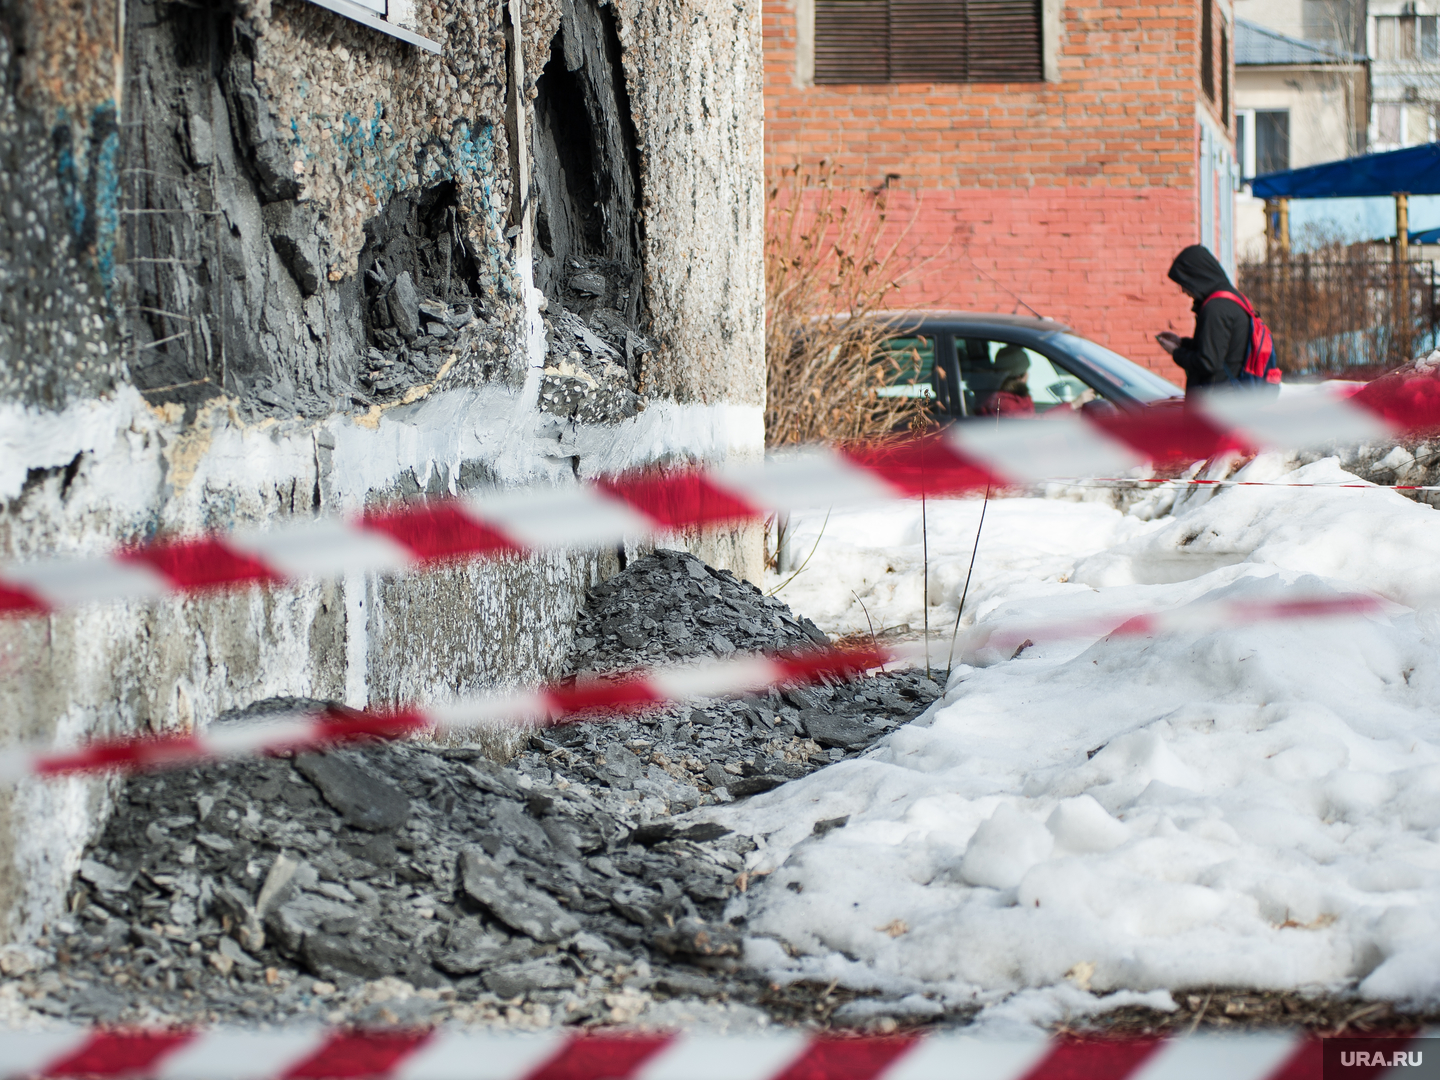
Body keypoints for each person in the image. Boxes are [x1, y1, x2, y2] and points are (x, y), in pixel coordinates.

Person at [1156, 245, 1251, 396]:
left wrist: (1176, 352)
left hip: (1216, 403)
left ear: (1196, 276)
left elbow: (1207, 362)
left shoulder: (1215, 309)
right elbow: (1218, 348)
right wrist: (1182, 343)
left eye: (1184, 283)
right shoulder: (1232, 299)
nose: (1183, 290)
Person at [975, 345, 1036, 416]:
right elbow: (1027, 424)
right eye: (1026, 371)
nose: (1028, 375)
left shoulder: (1008, 397)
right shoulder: (1006, 404)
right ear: (1019, 377)